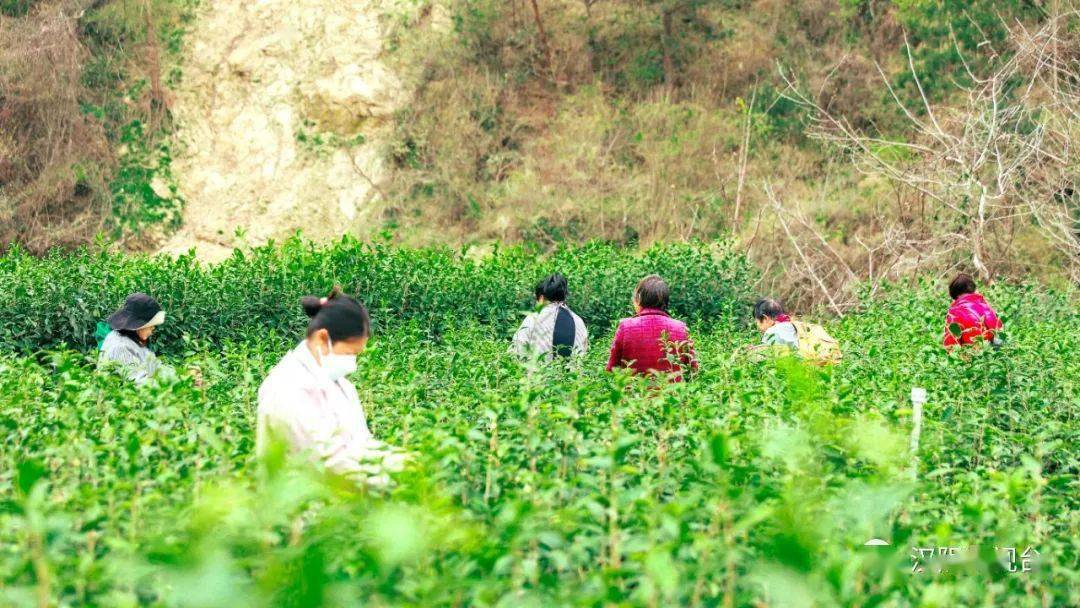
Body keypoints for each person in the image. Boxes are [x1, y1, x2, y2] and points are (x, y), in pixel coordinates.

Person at [256, 287, 404, 485]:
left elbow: (362, 445)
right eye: (350, 352)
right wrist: (398, 478)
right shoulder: (287, 387)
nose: (352, 361)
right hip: (299, 509)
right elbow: (326, 461)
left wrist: (407, 462)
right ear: (323, 338)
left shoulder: (341, 385)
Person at [606, 275, 697, 381]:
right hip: (672, 395)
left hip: (635, 395)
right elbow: (692, 370)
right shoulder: (680, 328)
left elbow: (612, 369)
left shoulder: (626, 326)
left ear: (639, 298)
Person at [98, 293, 176, 385]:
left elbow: (155, 367)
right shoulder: (120, 347)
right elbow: (139, 383)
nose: (153, 327)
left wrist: (178, 376)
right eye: (151, 324)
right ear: (138, 326)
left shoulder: (133, 339)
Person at [510, 273, 588, 360]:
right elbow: (582, 355)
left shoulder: (533, 319)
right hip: (571, 372)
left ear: (541, 298)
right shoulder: (578, 321)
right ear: (564, 297)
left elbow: (517, 351)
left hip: (538, 372)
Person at [943, 273, 1003, 349]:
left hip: (971, 357)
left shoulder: (955, 313)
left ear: (954, 293)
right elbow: (1000, 333)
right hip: (992, 357)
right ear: (972, 289)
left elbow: (950, 345)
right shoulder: (987, 307)